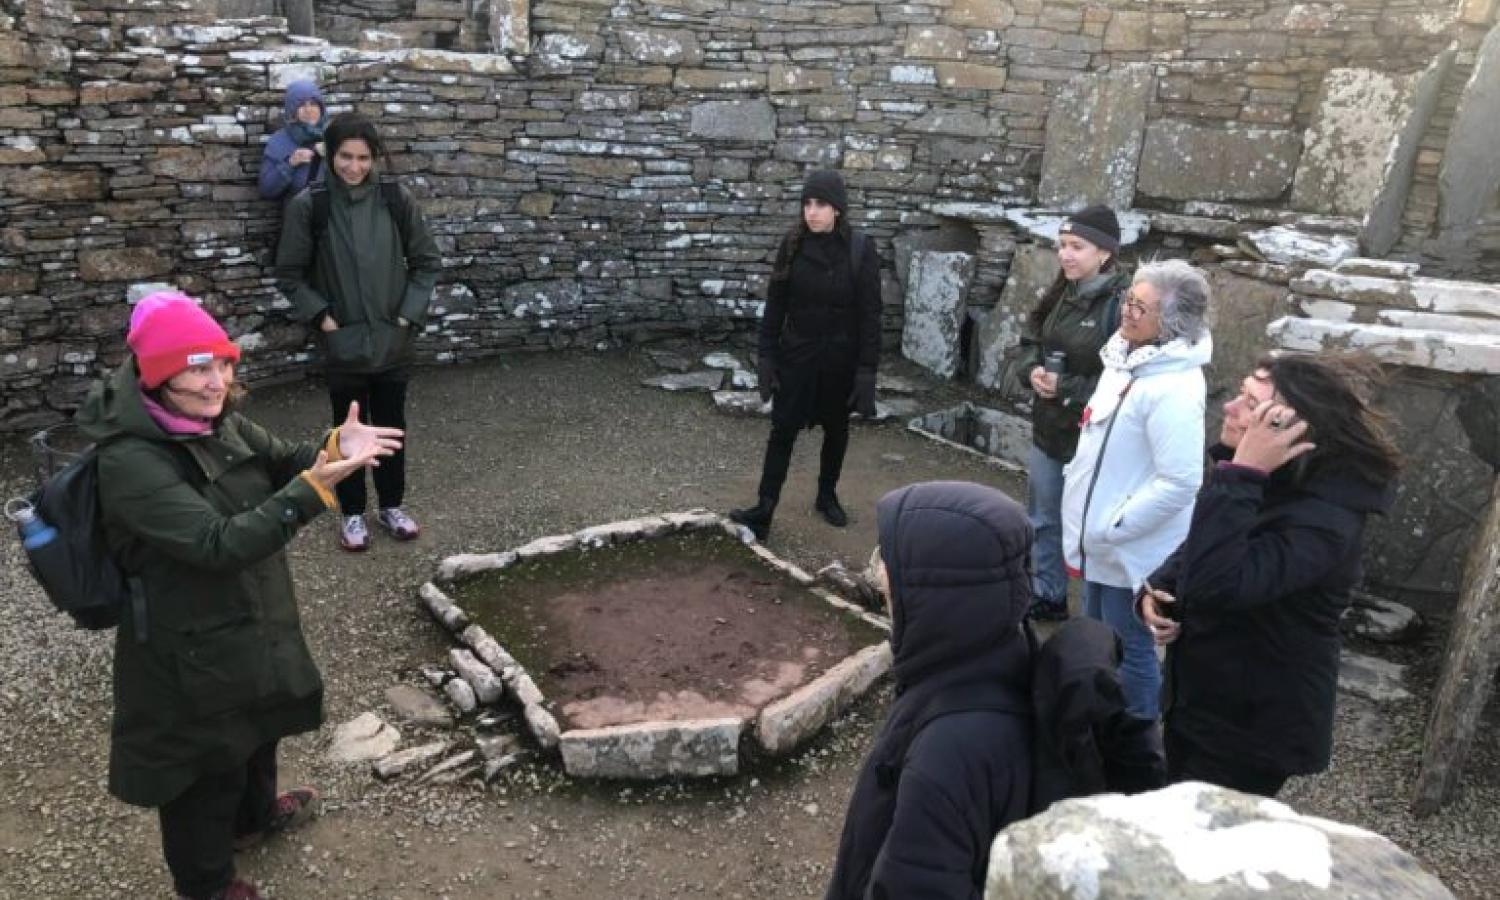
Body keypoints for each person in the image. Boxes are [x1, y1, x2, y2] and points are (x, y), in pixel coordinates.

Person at [75, 292, 402, 900]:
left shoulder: (216, 417)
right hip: (184, 640)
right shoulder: (129, 459)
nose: (216, 381)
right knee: (205, 766)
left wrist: (337, 449)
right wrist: (310, 492)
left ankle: (253, 820)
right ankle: (207, 885)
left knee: (259, 723)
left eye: (223, 364)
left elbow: (287, 461)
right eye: (197, 368)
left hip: (246, 616)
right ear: (157, 372)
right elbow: (214, 543)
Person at [1140, 353, 1402, 797]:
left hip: (1251, 728)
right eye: (1240, 394)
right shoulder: (1275, 482)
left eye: (1251, 402)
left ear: (1294, 431)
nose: (1230, 408)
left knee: (1208, 848)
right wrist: (1157, 587)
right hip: (1204, 701)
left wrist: (1242, 472)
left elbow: (1214, 586)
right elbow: (1202, 548)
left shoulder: (1324, 519)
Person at [826, 481, 1034, 899]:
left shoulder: (948, 751)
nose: (882, 574)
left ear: (941, 590)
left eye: (892, 561)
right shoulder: (995, 657)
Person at [274, 111, 441, 551]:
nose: (354, 167)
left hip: (393, 340)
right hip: (343, 342)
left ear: (375, 157)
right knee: (347, 434)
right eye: (345, 156)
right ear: (331, 155)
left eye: (363, 157)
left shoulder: (394, 198)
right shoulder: (311, 205)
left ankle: (391, 505)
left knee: (390, 429)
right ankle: (351, 513)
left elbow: (427, 262)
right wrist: (324, 319)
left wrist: (406, 316)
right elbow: (290, 274)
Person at [1060, 259, 1212, 721]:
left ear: (1169, 322)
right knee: (1098, 639)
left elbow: (1181, 481)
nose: (1126, 312)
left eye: (1139, 307)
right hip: (1102, 541)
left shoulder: (1175, 386)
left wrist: (1113, 525)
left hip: (1129, 547)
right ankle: (1100, 724)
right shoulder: (1124, 359)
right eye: (1128, 300)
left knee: (1132, 652)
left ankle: (1137, 744)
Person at [729, 169, 881, 541]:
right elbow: (776, 305)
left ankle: (827, 495)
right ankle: (764, 507)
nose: (812, 212)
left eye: (821, 204)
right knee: (782, 431)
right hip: (796, 356)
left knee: (836, 430)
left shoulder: (861, 249)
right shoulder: (793, 244)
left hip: (839, 361)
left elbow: (871, 314)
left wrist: (866, 372)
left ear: (838, 209)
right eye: (807, 204)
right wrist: (766, 357)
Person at [1013, 205, 1130, 622]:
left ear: (1105, 253)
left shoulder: (1122, 307)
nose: (1066, 255)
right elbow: (1030, 340)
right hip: (1050, 429)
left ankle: (1105, 619)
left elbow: (1125, 384)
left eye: (1077, 247)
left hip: (1094, 442)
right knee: (1043, 518)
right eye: (1062, 245)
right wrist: (1032, 371)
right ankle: (1050, 593)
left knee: (1096, 528)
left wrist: (1066, 388)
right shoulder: (1061, 293)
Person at [257, 79, 326, 204]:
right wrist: (290, 163)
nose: (308, 110)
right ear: (292, 110)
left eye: (313, 104)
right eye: (301, 105)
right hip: (297, 219)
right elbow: (266, 190)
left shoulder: (334, 135)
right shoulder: (279, 142)